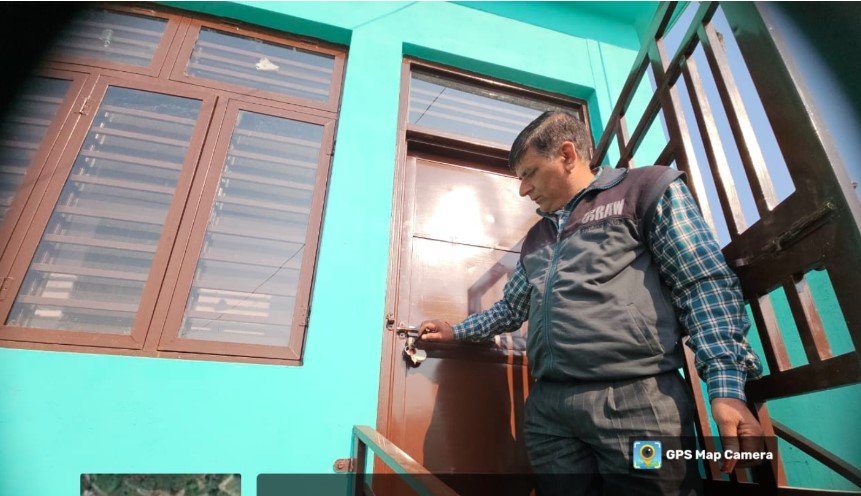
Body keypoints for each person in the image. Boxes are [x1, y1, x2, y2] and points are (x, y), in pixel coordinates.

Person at [419, 111, 765, 495]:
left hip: (638, 406)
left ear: (567, 155)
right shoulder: (538, 236)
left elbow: (701, 283)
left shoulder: (645, 189)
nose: (523, 190)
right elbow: (510, 308)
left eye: (530, 173)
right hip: (551, 415)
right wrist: (456, 332)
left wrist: (725, 388)